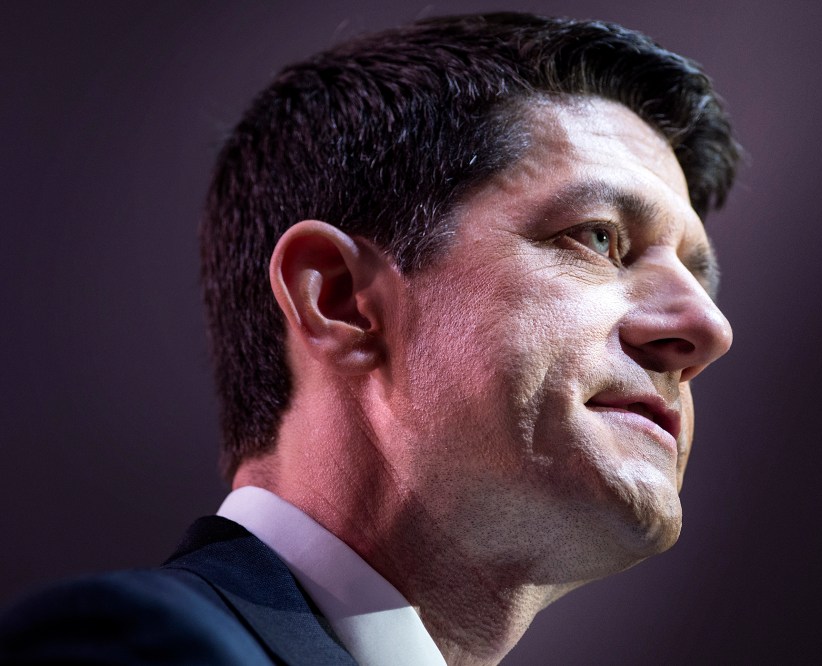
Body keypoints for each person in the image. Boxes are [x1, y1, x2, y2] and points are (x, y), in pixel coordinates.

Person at [0, 11, 738, 665]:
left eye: (697, 279)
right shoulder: (138, 647)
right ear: (341, 299)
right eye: (599, 238)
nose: (708, 327)